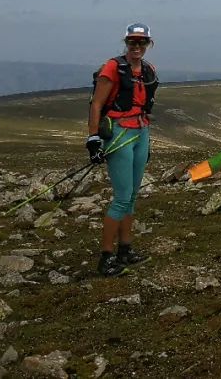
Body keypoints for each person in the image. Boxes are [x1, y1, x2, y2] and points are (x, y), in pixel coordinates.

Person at [86, 22, 158, 277]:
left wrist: (147, 141)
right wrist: (93, 139)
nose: (136, 46)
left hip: (141, 131)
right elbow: (96, 104)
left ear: (148, 44)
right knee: (122, 197)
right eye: (132, 42)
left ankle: (125, 250)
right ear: (126, 43)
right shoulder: (113, 68)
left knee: (132, 196)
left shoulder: (149, 70)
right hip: (119, 133)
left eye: (141, 42)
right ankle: (105, 258)